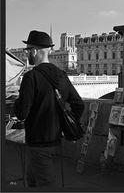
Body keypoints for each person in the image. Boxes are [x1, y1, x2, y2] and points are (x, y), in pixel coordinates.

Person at [14, 30, 85, 188]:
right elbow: (79, 104)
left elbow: (21, 113)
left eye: (27, 51)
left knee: (45, 184)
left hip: (38, 141)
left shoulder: (31, 77)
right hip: (55, 138)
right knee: (32, 180)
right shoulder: (61, 75)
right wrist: (63, 124)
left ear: (34, 51)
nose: (27, 55)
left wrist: (18, 100)